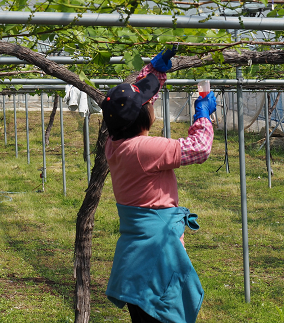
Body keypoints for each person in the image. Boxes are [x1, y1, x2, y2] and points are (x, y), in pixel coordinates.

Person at [101, 48, 216, 323]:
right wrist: (202, 116)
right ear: (144, 118)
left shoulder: (114, 144)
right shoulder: (145, 149)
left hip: (135, 258)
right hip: (155, 258)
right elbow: (200, 149)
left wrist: (154, 72)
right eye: (149, 105)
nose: (151, 104)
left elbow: (133, 104)